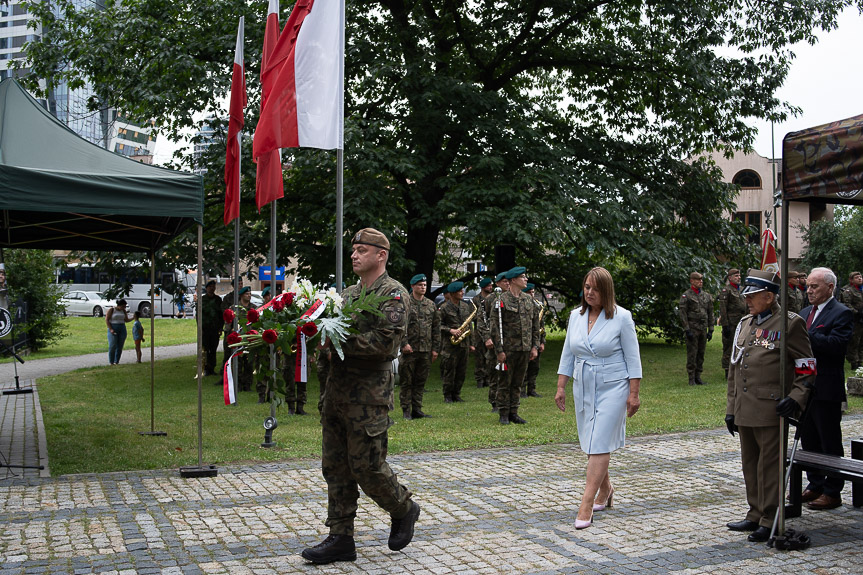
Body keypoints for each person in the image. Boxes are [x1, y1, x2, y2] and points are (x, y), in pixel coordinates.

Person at [301, 228, 419, 565]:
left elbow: (387, 343)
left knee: (367, 466)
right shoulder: (348, 294)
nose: (354, 255)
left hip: (368, 396)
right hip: (336, 392)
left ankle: (403, 507)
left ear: (380, 255)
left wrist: (337, 343)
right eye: (353, 250)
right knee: (335, 467)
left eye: (362, 250)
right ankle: (340, 538)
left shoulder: (393, 294)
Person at [724, 269, 814, 542]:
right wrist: (731, 408)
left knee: (770, 466)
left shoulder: (789, 324)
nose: (747, 301)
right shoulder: (745, 323)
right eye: (746, 295)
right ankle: (754, 513)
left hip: (772, 407)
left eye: (752, 296)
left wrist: (796, 399)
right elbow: (735, 369)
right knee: (750, 464)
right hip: (745, 407)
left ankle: (769, 517)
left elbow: (806, 368)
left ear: (769, 296)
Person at [555, 267, 642, 529]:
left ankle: (586, 502)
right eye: (586, 287)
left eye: (594, 288)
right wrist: (561, 386)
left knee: (600, 441)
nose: (589, 292)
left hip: (614, 386)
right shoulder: (575, 316)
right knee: (590, 441)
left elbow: (633, 358)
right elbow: (567, 354)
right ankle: (606, 490)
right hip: (583, 385)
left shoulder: (622, 317)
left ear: (606, 291)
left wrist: (634, 393)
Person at [798, 267, 853, 510]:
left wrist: (806, 336)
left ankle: (833, 491)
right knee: (808, 438)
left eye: (814, 286)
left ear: (830, 287)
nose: (809, 290)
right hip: (803, 387)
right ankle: (815, 484)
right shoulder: (805, 312)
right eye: (807, 286)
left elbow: (836, 346)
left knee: (829, 440)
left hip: (827, 386)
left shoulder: (842, 313)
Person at [489, 267, 539, 425]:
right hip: (508, 349)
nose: (526, 279)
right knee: (504, 382)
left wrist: (534, 346)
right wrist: (499, 350)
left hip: (524, 348)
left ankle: (514, 412)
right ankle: (503, 412)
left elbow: (534, 325)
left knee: (518, 382)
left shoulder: (528, 300)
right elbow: (495, 327)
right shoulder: (501, 300)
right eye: (522, 277)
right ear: (513, 281)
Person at [399, 274, 440, 419]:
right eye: (420, 285)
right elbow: (400, 326)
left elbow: (436, 327)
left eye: (424, 285)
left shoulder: (430, 305)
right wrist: (404, 343)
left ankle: (417, 409)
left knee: (420, 381)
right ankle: (406, 410)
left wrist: (435, 348)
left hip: (425, 349)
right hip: (410, 349)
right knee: (407, 381)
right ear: (412, 286)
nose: (423, 287)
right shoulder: (405, 303)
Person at [438, 281, 474, 403]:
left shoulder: (465, 306)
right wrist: (450, 330)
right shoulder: (444, 308)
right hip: (449, 345)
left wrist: (472, 343)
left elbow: (469, 325)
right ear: (453, 294)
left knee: (461, 371)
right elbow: (437, 325)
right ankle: (447, 395)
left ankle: (456, 394)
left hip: (464, 343)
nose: (462, 292)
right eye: (459, 291)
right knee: (449, 371)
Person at [679, 271, 714, 385]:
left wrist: (711, 329)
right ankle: (691, 378)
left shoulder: (706, 296)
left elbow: (710, 312)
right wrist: (687, 329)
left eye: (701, 280)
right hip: (692, 328)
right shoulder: (686, 296)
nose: (700, 282)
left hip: (703, 328)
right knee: (692, 353)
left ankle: (698, 376)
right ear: (692, 281)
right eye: (698, 280)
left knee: (701, 353)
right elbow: (683, 313)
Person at [484, 272, 510, 411]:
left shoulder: (512, 297)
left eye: (508, 281)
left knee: (507, 374)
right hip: (494, 342)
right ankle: (494, 401)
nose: (507, 284)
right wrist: (487, 338)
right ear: (498, 283)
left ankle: (506, 401)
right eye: (504, 282)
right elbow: (483, 320)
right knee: (494, 373)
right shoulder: (490, 299)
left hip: (508, 342)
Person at [718, 269, 747, 379]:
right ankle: (727, 370)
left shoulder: (742, 290)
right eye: (736, 276)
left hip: (741, 322)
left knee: (740, 346)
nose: (739, 277)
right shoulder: (727, 290)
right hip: (731, 323)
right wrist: (725, 325)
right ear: (730, 278)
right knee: (729, 347)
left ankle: (738, 368)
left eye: (739, 275)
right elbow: (723, 309)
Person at [522, 283, 547, 398]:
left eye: (533, 292)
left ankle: (531, 389)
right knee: (524, 367)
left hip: (536, 340)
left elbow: (541, 326)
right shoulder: (522, 304)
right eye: (529, 292)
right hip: (525, 340)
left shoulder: (537, 306)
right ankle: (522, 390)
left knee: (534, 367)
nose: (532, 294)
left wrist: (542, 342)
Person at [471, 277, 494, 388]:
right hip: (479, 332)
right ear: (483, 287)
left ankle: (489, 378)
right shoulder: (475, 300)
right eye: (488, 286)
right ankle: (480, 379)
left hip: (491, 330)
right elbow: (472, 315)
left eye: (491, 285)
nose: (491, 287)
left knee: (490, 357)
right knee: (479, 357)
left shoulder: (493, 298)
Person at [838, 271, 863, 369]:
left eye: (860, 277)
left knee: (862, 342)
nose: (860, 279)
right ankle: (854, 362)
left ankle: (860, 361)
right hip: (855, 319)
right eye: (857, 277)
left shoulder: (861, 290)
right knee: (854, 341)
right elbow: (846, 304)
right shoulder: (848, 291)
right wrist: (856, 312)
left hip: (862, 320)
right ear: (851, 280)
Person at [221, 277, 244, 374]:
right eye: (238, 284)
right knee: (228, 351)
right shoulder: (228, 298)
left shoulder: (243, 296)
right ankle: (225, 372)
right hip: (230, 328)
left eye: (241, 283)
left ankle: (240, 374)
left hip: (242, 329)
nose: (240, 285)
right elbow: (224, 312)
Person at [201, 279, 223, 377]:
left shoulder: (218, 300)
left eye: (213, 287)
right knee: (205, 349)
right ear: (206, 288)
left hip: (215, 329)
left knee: (213, 349)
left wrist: (220, 328)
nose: (212, 288)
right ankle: (205, 368)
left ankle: (212, 367)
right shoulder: (202, 300)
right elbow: (199, 315)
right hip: (205, 329)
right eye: (210, 287)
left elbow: (221, 315)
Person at [106, 299, 133, 365]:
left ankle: (116, 361)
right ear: (119, 305)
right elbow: (107, 319)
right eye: (123, 306)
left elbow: (126, 320)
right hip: (113, 327)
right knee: (112, 345)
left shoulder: (123, 311)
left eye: (125, 306)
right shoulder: (112, 310)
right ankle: (111, 361)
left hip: (122, 327)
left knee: (120, 345)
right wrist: (111, 329)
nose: (124, 308)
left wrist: (133, 318)